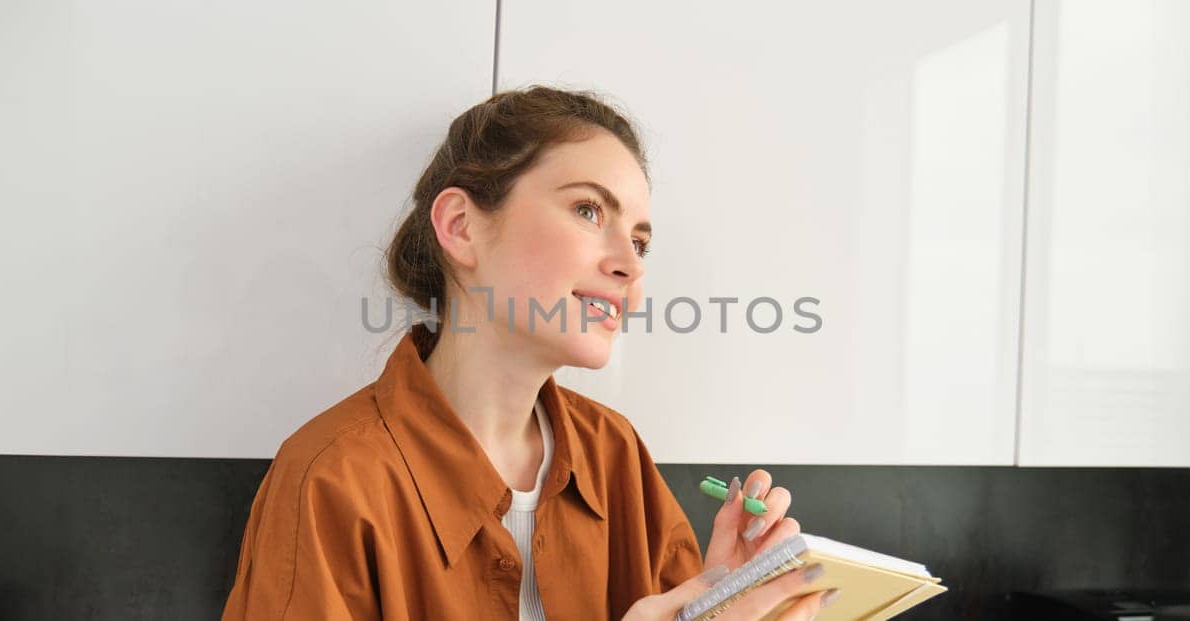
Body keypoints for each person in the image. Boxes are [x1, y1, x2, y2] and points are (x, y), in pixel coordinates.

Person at [221, 86, 837, 619]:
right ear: (461, 226)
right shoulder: (331, 479)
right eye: (589, 209)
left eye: (641, 242)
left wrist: (717, 595)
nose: (628, 264)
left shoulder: (615, 454)